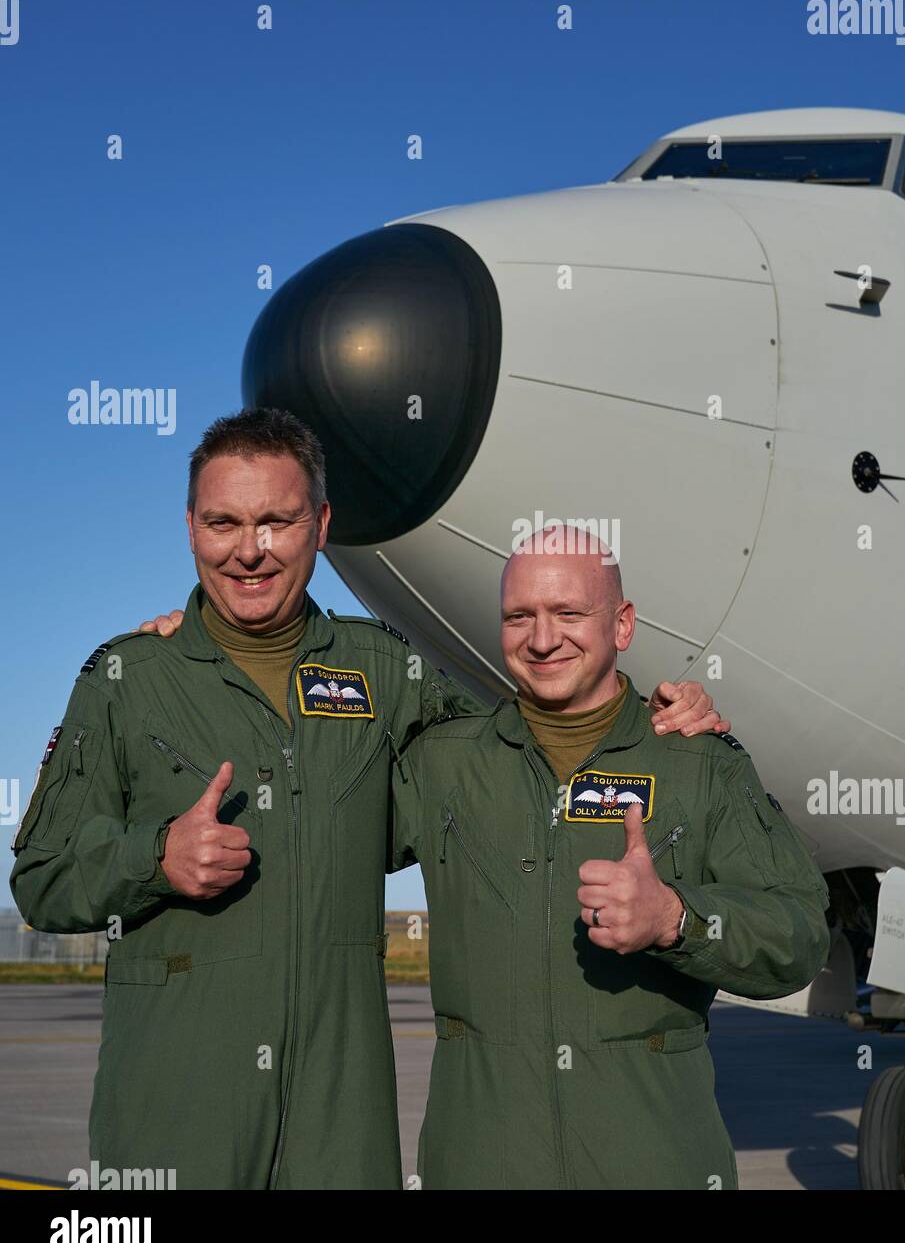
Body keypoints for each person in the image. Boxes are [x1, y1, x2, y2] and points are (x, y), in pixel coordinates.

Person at [9, 408, 725, 1190]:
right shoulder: (127, 680)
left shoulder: (386, 672)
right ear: (190, 528)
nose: (249, 550)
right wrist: (155, 858)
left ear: (320, 524)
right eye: (224, 523)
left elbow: (522, 744)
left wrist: (656, 712)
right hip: (175, 1109)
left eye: (278, 521)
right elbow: (41, 879)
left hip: (338, 1120)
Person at [391, 530, 831, 1189]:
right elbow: (310, 830)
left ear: (622, 625)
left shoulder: (697, 763)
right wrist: (188, 652)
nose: (543, 640)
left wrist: (678, 919)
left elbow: (798, 935)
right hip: (480, 1164)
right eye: (520, 616)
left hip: (653, 1164)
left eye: (569, 614)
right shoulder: (443, 764)